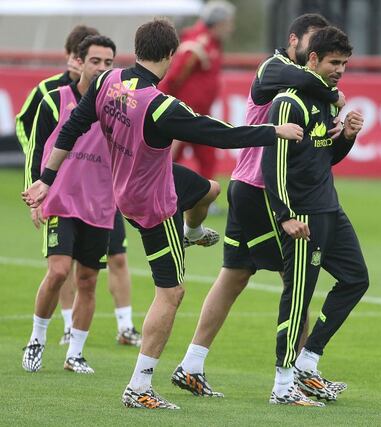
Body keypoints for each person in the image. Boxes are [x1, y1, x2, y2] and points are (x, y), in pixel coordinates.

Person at [22, 19, 303, 410]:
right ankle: (139, 386)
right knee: (171, 293)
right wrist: (274, 130)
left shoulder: (109, 81)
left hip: (134, 184)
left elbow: (73, 126)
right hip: (153, 202)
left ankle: (193, 229)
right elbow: (221, 133)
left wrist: (46, 179)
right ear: (171, 55)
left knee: (209, 188)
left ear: (136, 49)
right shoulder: (161, 106)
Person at [171, 13, 346, 402]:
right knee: (295, 280)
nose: (317, 55)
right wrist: (333, 94)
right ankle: (298, 374)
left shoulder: (308, 83)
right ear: (294, 40)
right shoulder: (276, 68)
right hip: (264, 192)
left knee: (233, 276)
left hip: (248, 188)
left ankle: (191, 365)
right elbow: (295, 83)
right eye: (313, 45)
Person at [261, 26, 368, 406]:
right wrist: (285, 215)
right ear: (312, 60)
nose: (340, 70)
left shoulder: (326, 103)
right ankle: (282, 385)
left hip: (329, 209)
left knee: (356, 279)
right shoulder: (288, 102)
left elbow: (324, 157)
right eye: (334, 62)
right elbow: (270, 163)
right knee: (299, 296)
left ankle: (309, 360)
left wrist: (347, 138)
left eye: (344, 64)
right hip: (302, 214)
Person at [22, 35, 118, 374]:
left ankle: (75, 353)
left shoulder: (119, 108)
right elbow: (36, 151)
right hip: (61, 200)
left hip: (100, 204)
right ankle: (37, 338)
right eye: (96, 61)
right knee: (59, 271)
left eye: (109, 62)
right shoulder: (54, 99)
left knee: (88, 279)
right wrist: (34, 193)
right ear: (79, 61)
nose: (103, 68)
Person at [159, 1, 235, 187]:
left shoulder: (213, 43)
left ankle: (205, 198)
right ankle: (158, 193)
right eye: (229, 22)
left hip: (199, 115)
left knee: (207, 157)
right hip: (182, 115)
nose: (231, 27)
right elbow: (173, 77)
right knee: (167, 158)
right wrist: (162, 106)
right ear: (219, 23)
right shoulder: (196, 44)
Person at [58, 209, 142, 348]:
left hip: (105, 201)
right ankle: (69, 327)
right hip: (70, 199)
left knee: (118, 257)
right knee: (65, 261)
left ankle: (125, 327)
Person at [16, 25, 99, 154]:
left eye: (88, 58)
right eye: (77, 57)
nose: (80, 62)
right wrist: (32, 153)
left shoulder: (105, 90)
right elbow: (23, 121)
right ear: (67, 54)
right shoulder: (46, 88)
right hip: (55, 165)